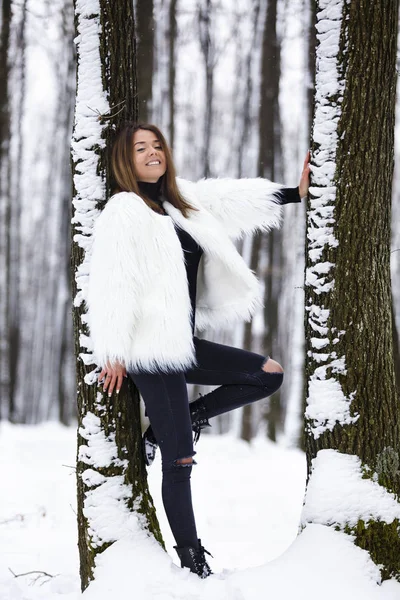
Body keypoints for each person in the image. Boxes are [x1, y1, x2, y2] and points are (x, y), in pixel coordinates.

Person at [87, 122, 310, 578]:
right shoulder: (123, 210)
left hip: (184, 342)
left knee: (268, 373)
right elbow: (113, 283)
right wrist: (111, 350)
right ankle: (193, 561)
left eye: (157, 146)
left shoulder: (179, 201)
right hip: (150, 350)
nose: (152, 154)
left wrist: (295, 194)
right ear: (123, 162)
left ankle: (172, 429)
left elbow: (231, 198)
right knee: (181, 460)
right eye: (140, 149)